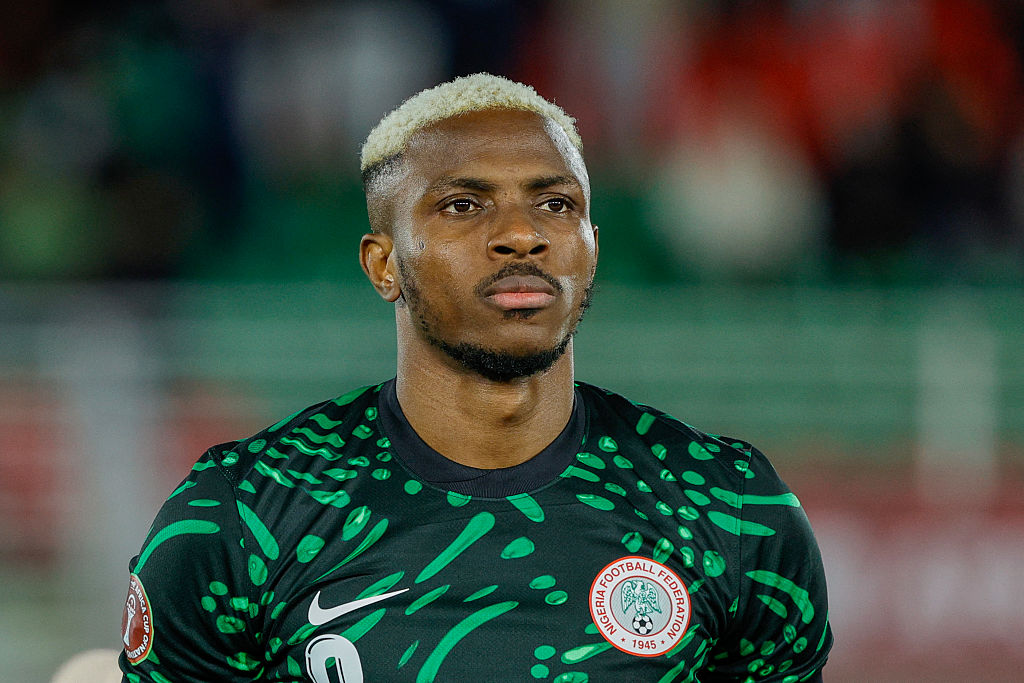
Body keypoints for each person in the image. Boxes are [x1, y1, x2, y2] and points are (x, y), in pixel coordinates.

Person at [120, 73, 833, 682]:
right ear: (383, 263)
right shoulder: (240, 516)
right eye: (464, 204)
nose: (522, 233)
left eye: (556, 203)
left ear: (591, 248)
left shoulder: (733, 508)